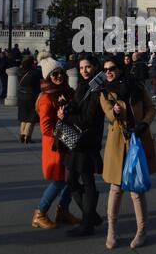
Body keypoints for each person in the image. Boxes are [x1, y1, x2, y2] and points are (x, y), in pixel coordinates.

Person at [100, 54, 156, 250]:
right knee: (115, 189)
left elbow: (151, 109)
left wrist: (144, 124)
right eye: (105, 69)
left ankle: (141, 231)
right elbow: (107, 111)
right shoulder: (104, 91)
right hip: (117, 141)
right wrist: (114, 112)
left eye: (111, 69)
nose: (108, 72)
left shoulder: (137, 86)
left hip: (137, 140)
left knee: (136, 190)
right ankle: (111, 230)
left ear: (119, 68)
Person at [32, 51, 80, 230]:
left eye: (60, 72)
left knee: (72, 178)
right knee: (60, 180)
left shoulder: (66, 92)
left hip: (68, 142)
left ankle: (63, 211)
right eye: (54, 74)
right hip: (56, 145)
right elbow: (45, 128)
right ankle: (40, 213)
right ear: (48, 77)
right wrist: (63, 123)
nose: (59, 76)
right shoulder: (46, 98)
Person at [58, 53, 105, 237]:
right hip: (79, 140)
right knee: (71, 180)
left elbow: (88, 119)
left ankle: (88, 221)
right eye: (82, 67)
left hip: (87, 139)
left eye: (88, 67)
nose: (84, 71)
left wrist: (66, 117)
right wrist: (67, 105)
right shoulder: (84, 85)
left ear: (95, 67)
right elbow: (78, 106)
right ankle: (91, 215)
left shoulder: (97, 89)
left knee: (86, 179)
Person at [17, 56, 41, 144]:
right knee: (32, 117)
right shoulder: (35, 73)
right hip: (32, 96)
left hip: (21, 95)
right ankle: (27, 136)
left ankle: (21, 135)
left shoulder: (19, 71)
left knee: (24, 116)